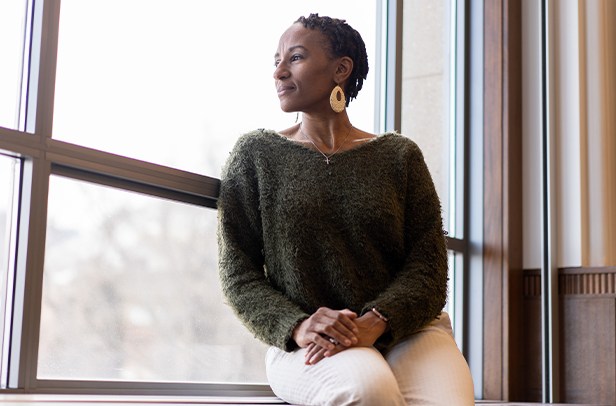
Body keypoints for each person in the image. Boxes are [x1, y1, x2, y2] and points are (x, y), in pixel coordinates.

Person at [217, 13, 474, 406]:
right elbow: (239, 273)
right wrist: (297, 326)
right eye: (276, 62)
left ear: (341, 69)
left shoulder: (399, 156)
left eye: (296, 58)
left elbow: (428, 266)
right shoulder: (255, 155)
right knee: (366, 390)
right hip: (308, 339)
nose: (279, 72)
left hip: (409, 328)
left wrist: (378, 320)